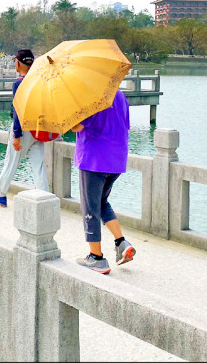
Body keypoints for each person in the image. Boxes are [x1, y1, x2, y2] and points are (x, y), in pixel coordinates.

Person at [73, 88, 135, 274]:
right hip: (116, 159)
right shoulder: (120, 95)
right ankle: (121, 242)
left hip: (94, 159)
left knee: (90, 206)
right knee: (101, 202)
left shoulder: (92, 96)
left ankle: (96, 257)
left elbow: (77, 126)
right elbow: (125, 125)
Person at [0, 49, 50, 207]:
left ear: (19, 63)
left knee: (11, 162)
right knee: (38, 165)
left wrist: (17, 135)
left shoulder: (20, 83)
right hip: (39, 130)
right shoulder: (41, 81)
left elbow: (18, 111)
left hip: (24, 129)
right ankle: (46, 198)